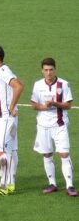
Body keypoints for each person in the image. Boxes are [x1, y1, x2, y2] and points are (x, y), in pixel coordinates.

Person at [30, 57, 76, 197]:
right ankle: (52, 184)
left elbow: (68, 105)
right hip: (43, 126)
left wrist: (54, 104)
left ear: (55, 69)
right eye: (46, 70)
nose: (49, 73)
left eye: (51, 70)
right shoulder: (37, 85)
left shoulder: (64, 84)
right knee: (47, 154)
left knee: (64, 154)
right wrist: (44, 106)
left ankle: (70, 186)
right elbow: (33, 105)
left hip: (59, 124)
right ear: (42, 71)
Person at [0, 45, 24, 197]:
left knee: (1, 152)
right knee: (12, 151)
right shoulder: (3, 70)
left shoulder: (2, 71)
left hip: (5, 118)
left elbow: (19, 86)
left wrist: (11, 106)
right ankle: (11, 184)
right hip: (10, 118)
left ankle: (3, 185)